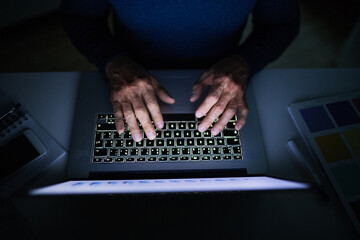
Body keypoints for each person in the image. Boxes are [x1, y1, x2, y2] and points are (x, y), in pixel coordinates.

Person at [61, 0, 300, 142]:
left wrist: (245, 62)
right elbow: (79, 16)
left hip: (222, 85)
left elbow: (281, 23)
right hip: (127, 82)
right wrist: (114, 62)